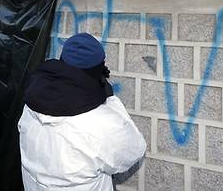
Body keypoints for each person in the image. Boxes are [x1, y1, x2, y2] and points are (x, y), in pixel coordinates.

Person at [18, 33, 146, 191]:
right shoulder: (100, 122)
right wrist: (110, 99)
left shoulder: (31, 105)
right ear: (98, 72)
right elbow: (135, 149)